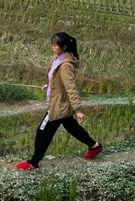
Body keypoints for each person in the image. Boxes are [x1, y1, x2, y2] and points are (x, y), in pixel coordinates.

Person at [15, 32, 102, 170]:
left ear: (64, 47)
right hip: (58, 101)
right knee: (71, 126)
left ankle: (34, 162)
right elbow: (56, 77)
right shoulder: (58, 58)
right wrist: (49, 84)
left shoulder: (66, 64)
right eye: (53, 45)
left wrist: (78, 109)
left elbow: (70, 87)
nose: (53, 47)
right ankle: (94, 146)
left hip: (59, 105)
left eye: (55, 45)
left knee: (42, 131)